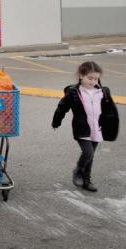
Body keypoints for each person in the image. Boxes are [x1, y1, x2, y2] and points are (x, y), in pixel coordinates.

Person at [51, 61, 120, 192]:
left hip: (96, 128)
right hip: (82, 128)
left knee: (91, 155)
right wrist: (56, 122)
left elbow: (109, 111)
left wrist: (109, 126)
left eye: (96, 78)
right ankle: (78, 170)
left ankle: (87, 181)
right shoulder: (74, 92)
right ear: (81, 75)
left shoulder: (102, 92)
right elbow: (62, 108)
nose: (93, 81)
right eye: (90, 78)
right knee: (88, 153)